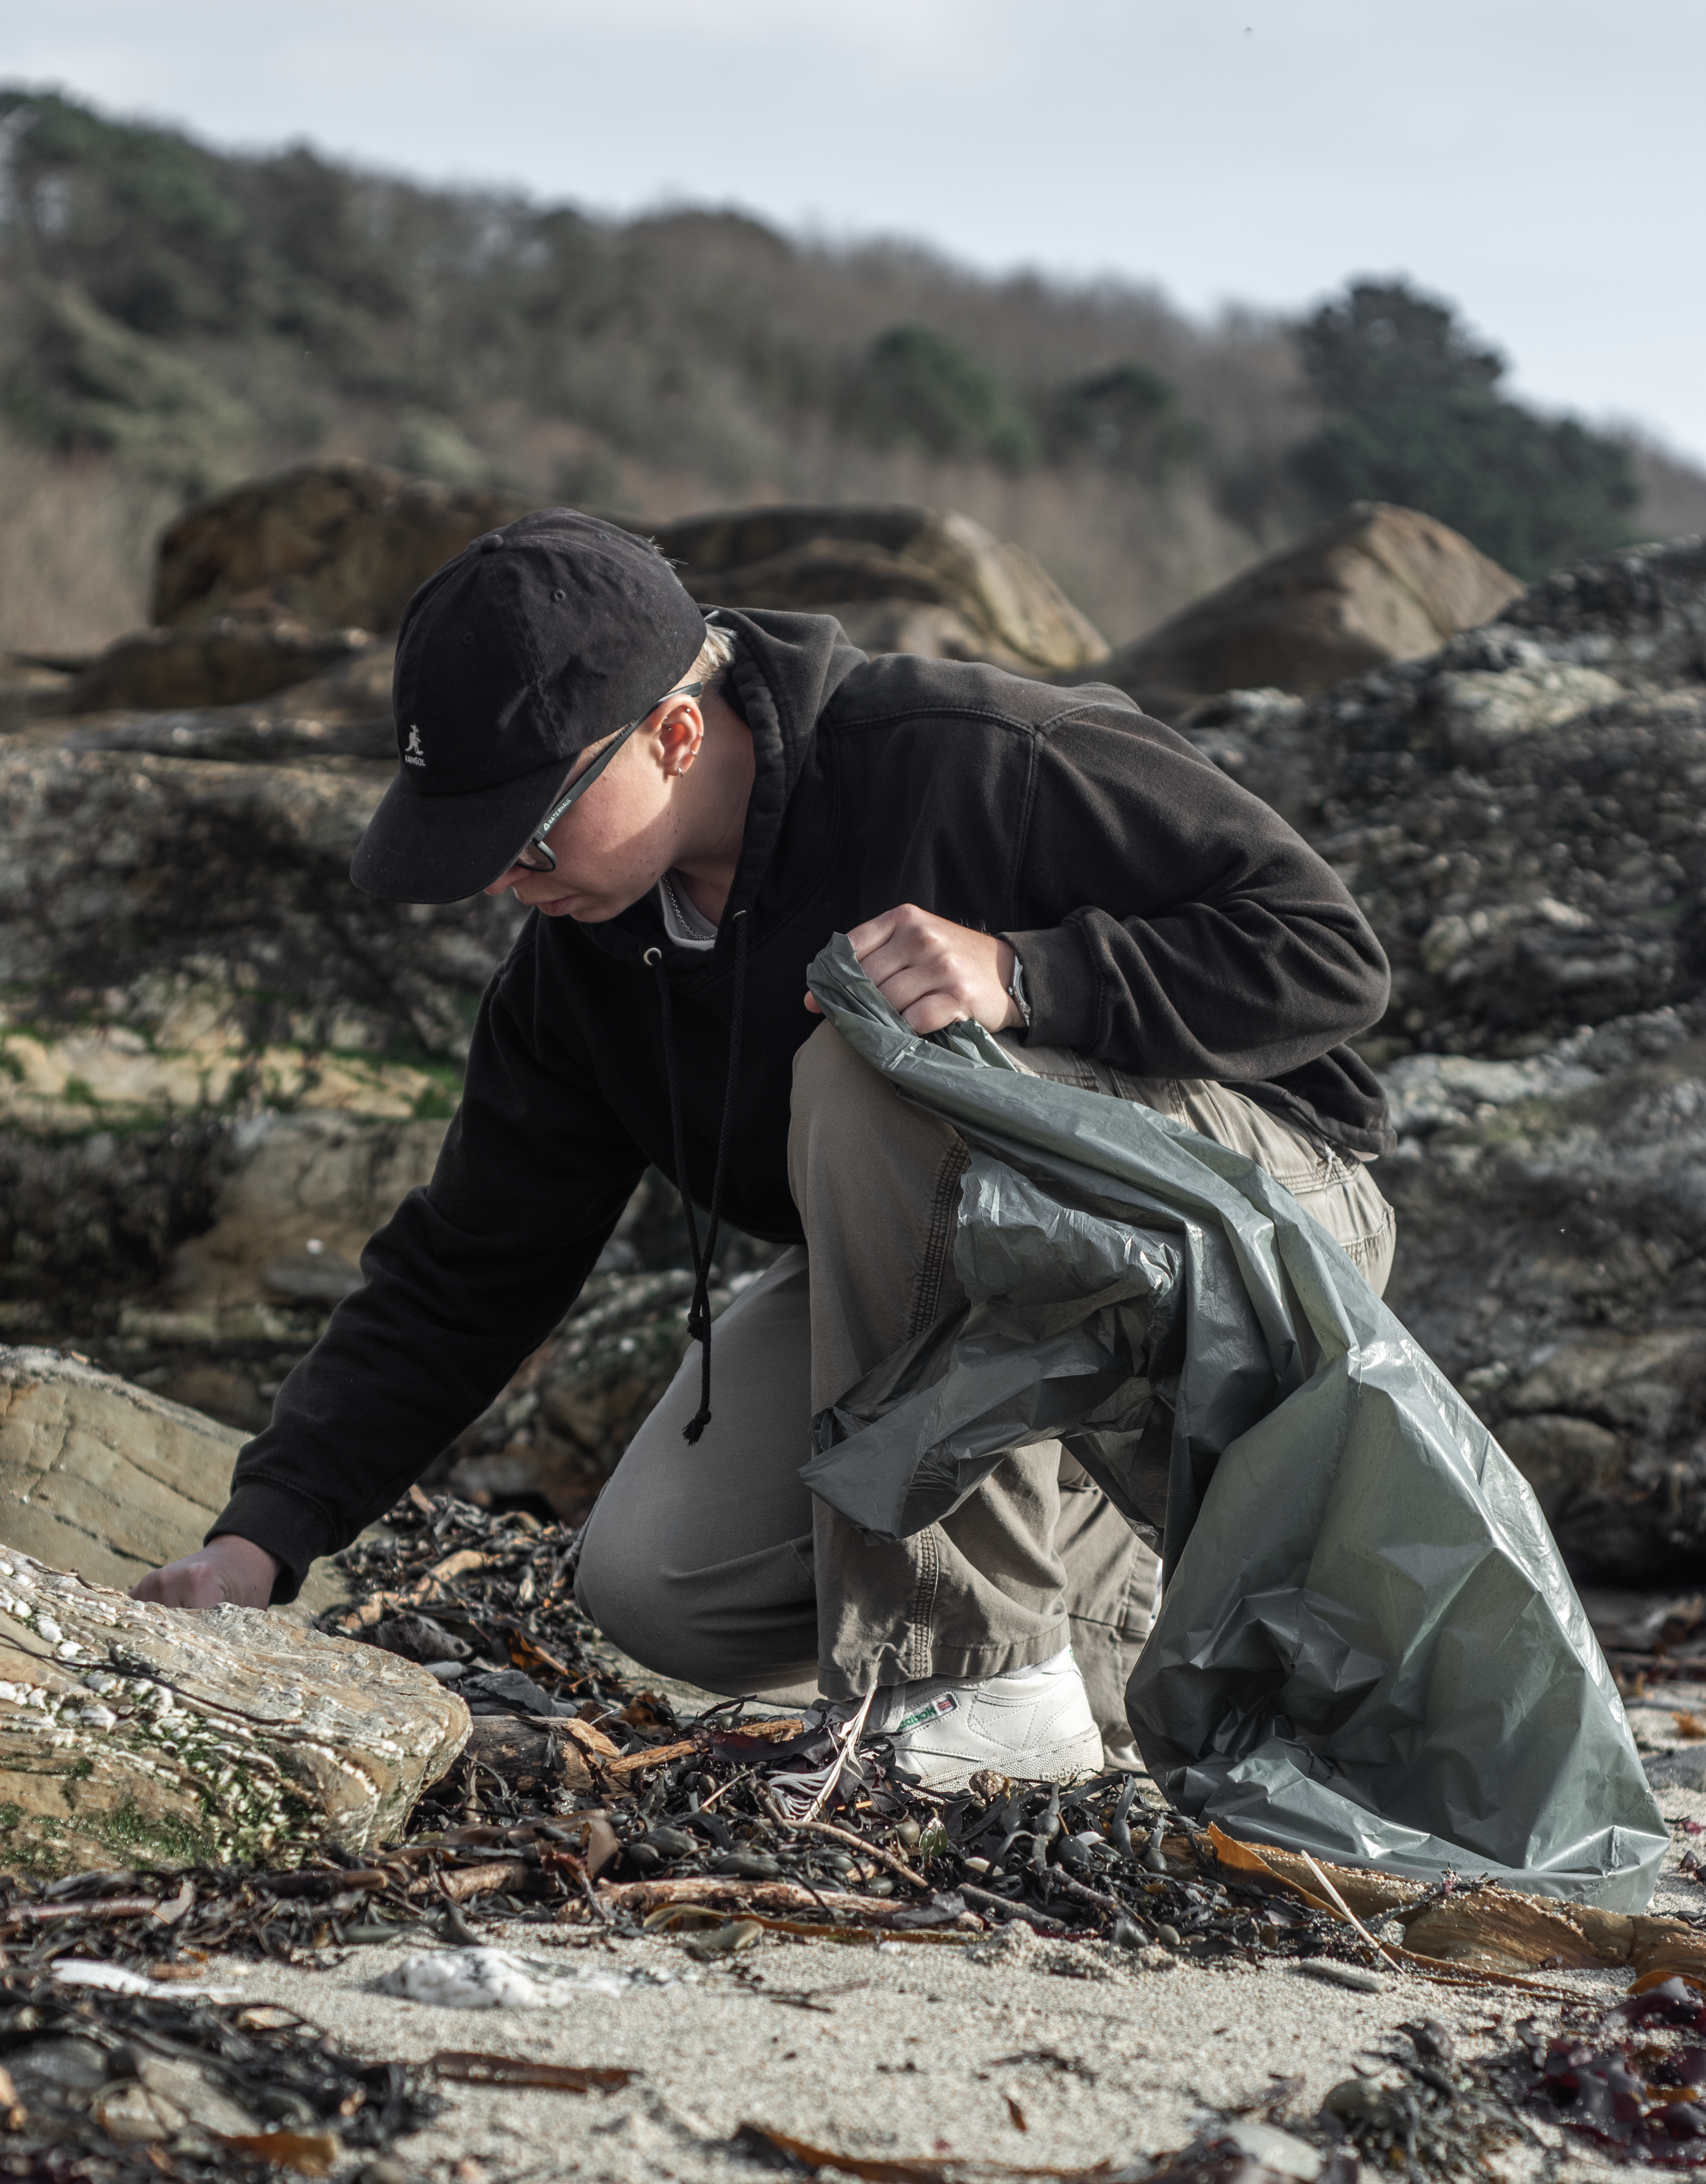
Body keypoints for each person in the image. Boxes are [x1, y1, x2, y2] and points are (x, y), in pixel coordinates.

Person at [135, 509, 1396, 1785]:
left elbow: (1328, 956)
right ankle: (1122, 1647)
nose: (505, 881)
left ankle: (980, 1679)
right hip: (981, 1268)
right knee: (661, 1579)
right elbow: (466, 1267)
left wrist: (1031, 973)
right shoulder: (584, 965)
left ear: (674, 732)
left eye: (528, 832)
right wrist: (265, 1539)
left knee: (865, 1050)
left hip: (1259, 1217)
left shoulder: (973, 755)